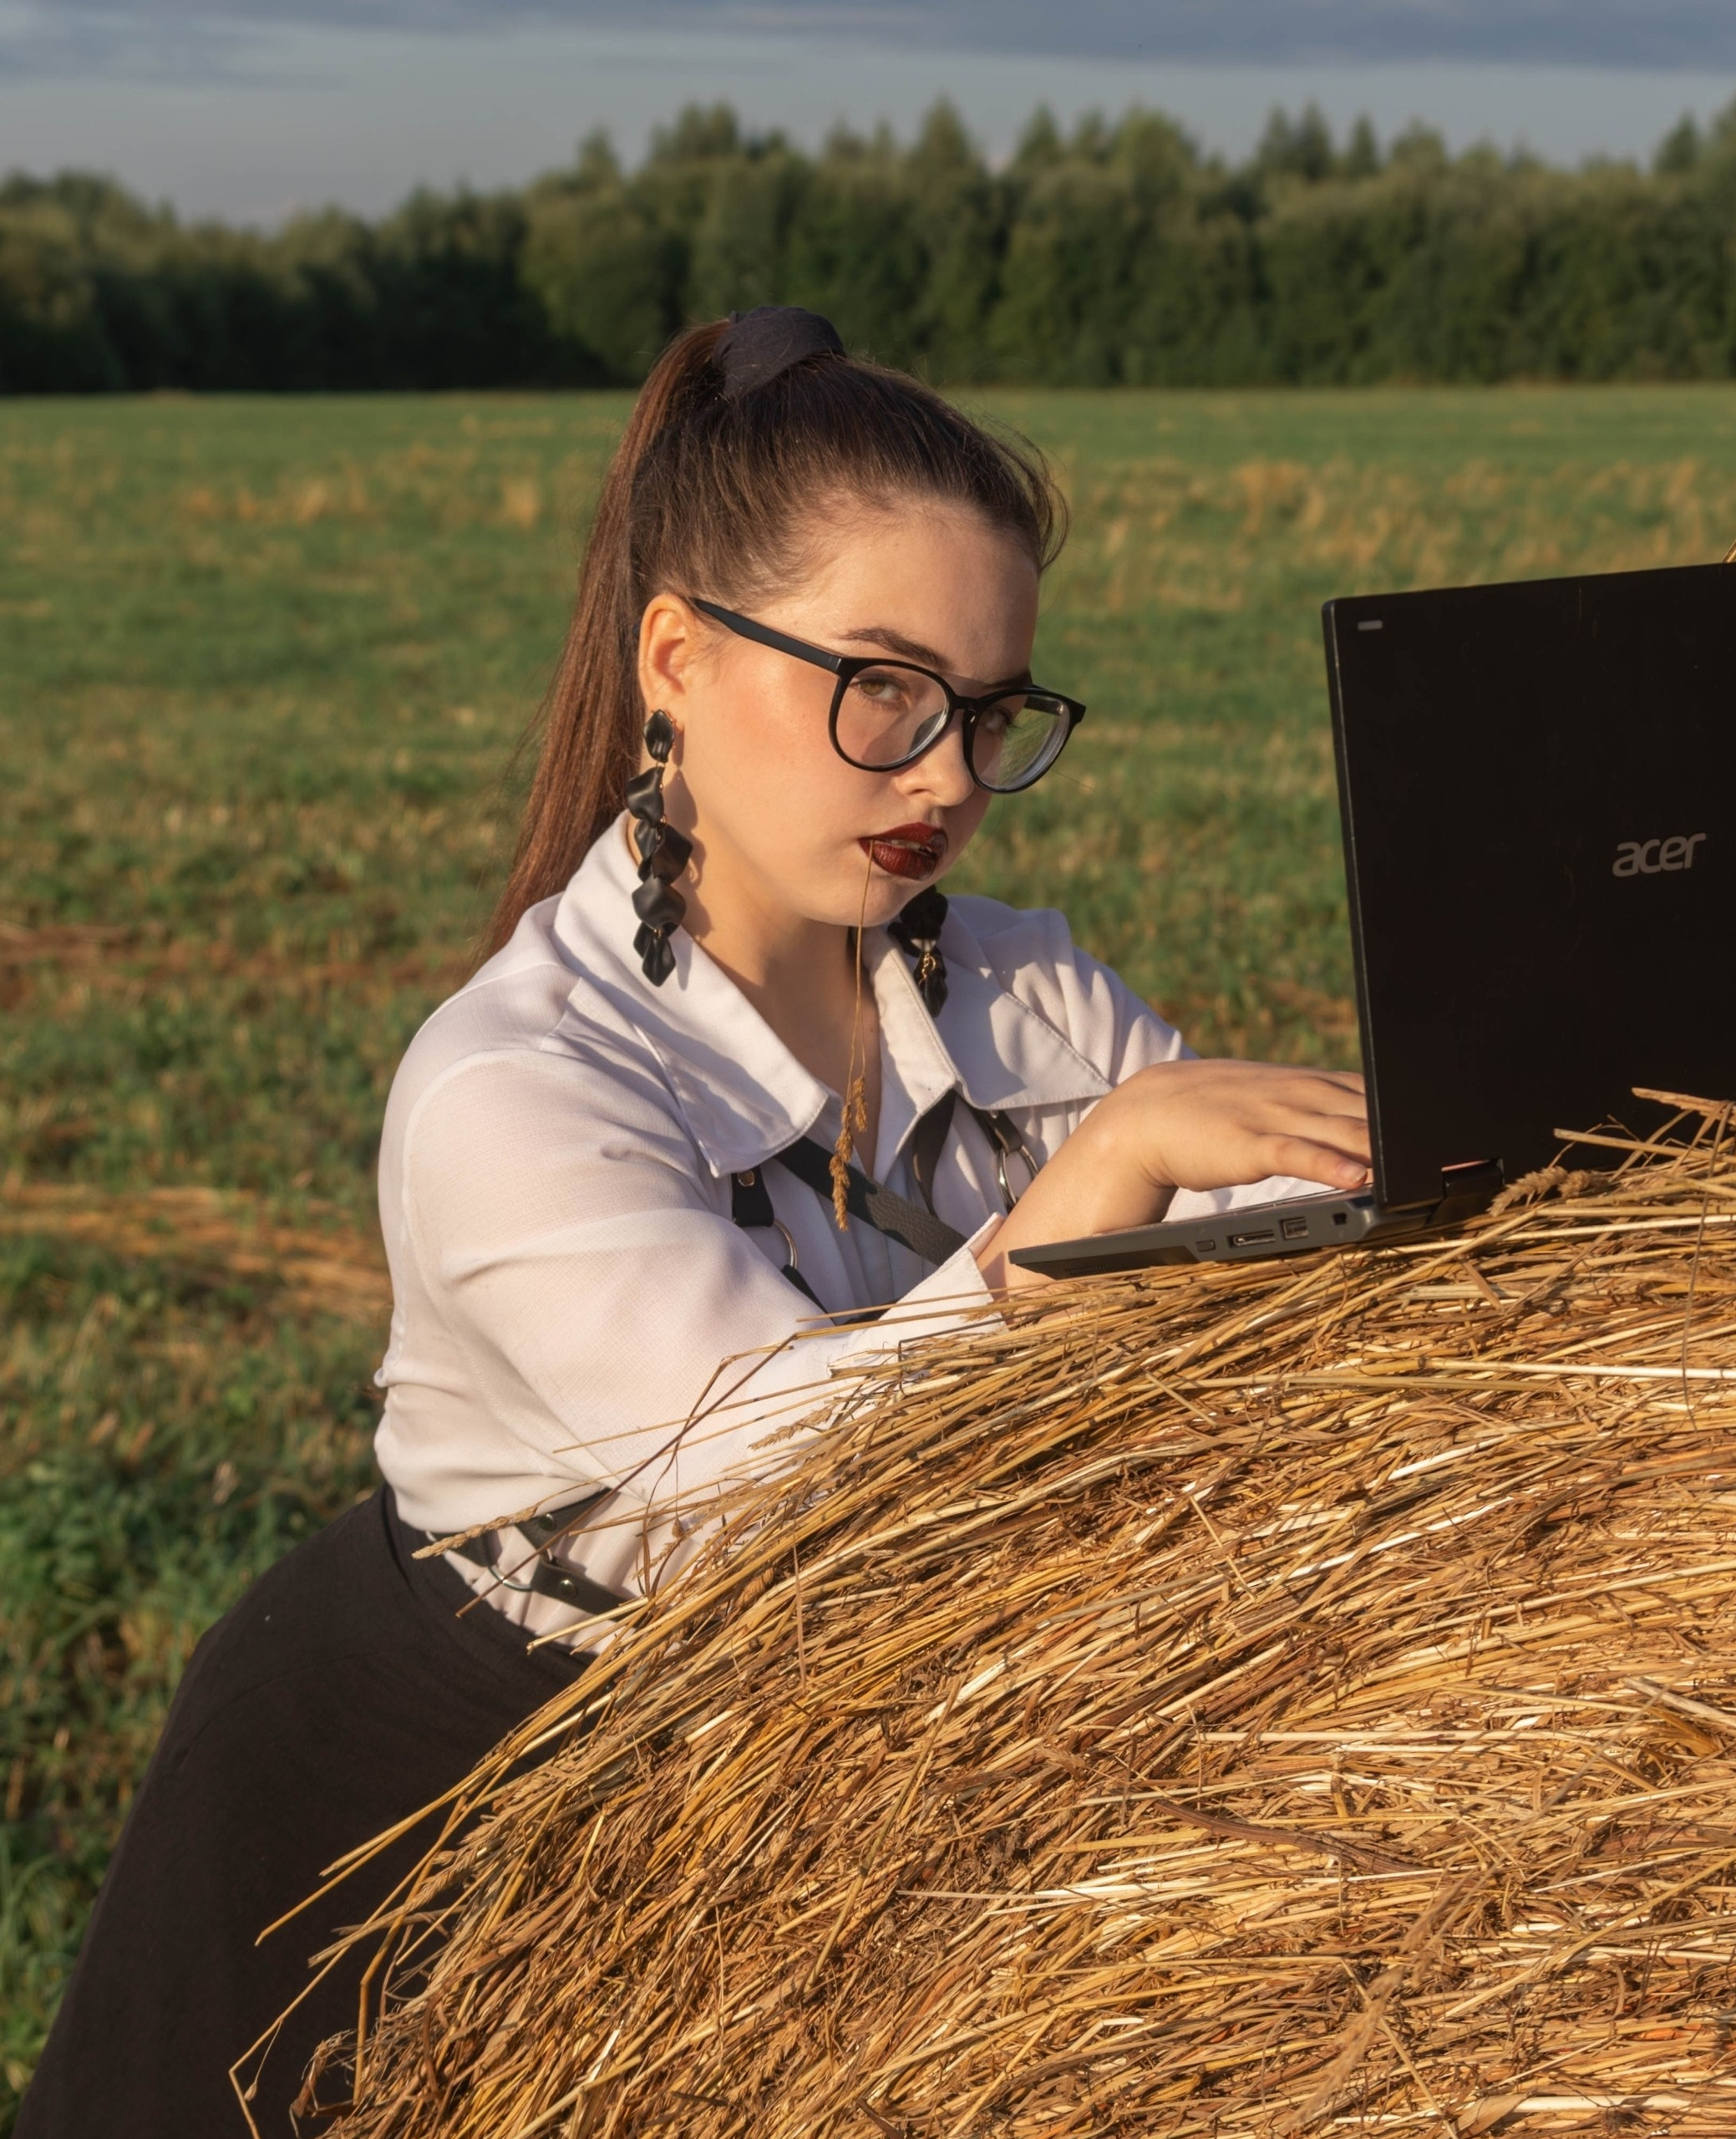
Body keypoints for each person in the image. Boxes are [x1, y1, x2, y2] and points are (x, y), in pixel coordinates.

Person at [18, 307, 1372, 2136]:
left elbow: (1294, 1240)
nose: (951, 772)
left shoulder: (1023, 1000)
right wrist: (1092, 1193)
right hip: (423, 1804)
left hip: (802, 1776)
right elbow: (761, 1481)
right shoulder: (513, 1086)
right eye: (882, 687)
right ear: (676, 656)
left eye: (990, 710)